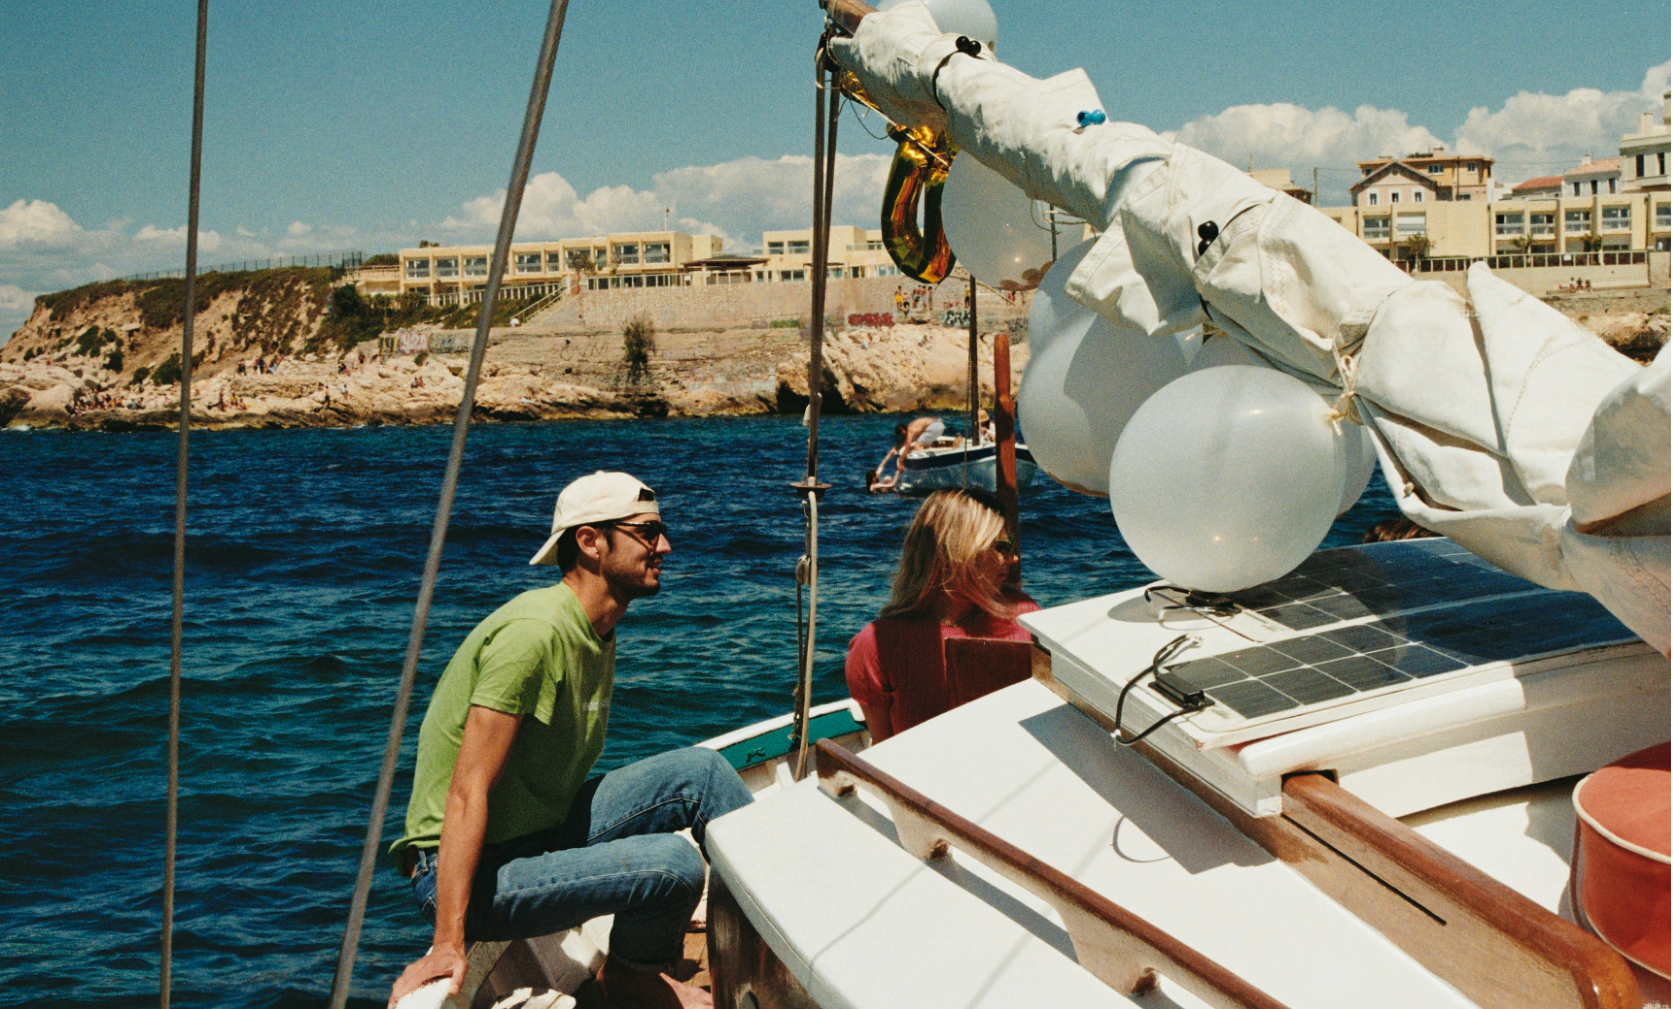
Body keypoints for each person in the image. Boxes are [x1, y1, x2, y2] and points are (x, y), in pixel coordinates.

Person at [387, 471, 752, 1009]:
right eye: (648, 533)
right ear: (590, 541)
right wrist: (448, 941)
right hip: (474, 870)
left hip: (535, 831)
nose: (665, 546)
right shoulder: (533, 634)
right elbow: (466, 790)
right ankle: (631, 977)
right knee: (673, 866)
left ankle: (780, 934)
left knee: (704, 773)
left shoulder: (597, 627)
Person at [845, 488, 1037, 741]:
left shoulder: (1024, 615)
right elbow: (885, 753)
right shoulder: (877, 646)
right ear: (958, 553)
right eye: (1001, 546)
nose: (1013, 558)